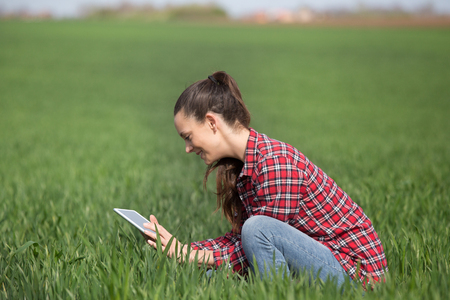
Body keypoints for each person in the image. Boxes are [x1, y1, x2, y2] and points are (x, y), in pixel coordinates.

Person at [143, 71, 388, 287]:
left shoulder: (274, 163)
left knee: (257, 228)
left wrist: (188, 254)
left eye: (188, 136)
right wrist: (180, 248)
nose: (187, 148)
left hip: (358, 277)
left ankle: (274, 293)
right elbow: (240, 242)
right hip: (323, 261)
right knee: (208, 278)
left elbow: (257, 240)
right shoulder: (246, 165)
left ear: (211, 122)